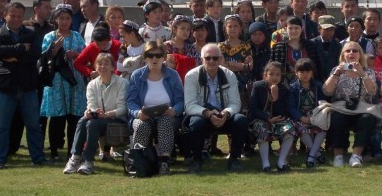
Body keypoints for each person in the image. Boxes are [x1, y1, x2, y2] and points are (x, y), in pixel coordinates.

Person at [0, 2, 46, 169]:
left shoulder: (31, 33)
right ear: (5, 15)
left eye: (19, 16)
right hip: (5, 87)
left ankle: (38, 157)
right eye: (12, 15)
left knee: (34, 125)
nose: (16, 19)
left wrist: (12, 56)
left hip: (28, 85)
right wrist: (21, 48)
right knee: (1, 126)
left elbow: (36, 54)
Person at [183, 44, 249, 173]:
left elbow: (235, 103)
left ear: (220, 59)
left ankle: (234, 159)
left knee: (241, 120)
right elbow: (189, 105)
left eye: (215, 58)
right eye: (208, 58)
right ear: (201, 59)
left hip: (223, 115)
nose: (211, 61)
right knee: (196, 122)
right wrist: (207, 113)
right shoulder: (191, 76)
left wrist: (226, 113)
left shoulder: (229, 75)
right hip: (202, 115)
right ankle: (197, 160)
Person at [64, 53, 129, 175]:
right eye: (100, 64)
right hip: (98, 119)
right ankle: (75, 158)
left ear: (112, 67)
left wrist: (107, 114)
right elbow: (91, 104)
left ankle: (88, 162)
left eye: (106, 64)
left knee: (92, 123)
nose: (103, 67)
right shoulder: (92, 84)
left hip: (117, 119)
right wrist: (91, 112)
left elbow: (123, 108)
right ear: (95, 67)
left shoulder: (122, 83)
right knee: (83, 120)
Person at [127, 41, 185, 176]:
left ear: (164, 57)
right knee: (141, 125)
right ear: (145, 56)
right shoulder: (136, 75)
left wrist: (174, 110)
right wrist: (138, 113)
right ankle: (140, 161)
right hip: (144, 115)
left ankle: (165, 161)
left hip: (166, 115)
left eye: (158, 55)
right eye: (150, 55)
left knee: (165, 122)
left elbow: (180, 100)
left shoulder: (173, 75)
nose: (154, 58)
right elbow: (131, 101)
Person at [322, 41, 379, 168]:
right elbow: (327, 91)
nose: (351, 53)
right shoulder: (336, 70)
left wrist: (362, 74)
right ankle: (338, 156)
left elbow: (373, 91)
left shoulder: (368, 71)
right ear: (343, 55)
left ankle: (355, 156)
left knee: (367, 119)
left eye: (355, 51)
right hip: (341, 108)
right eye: (348, 51)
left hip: (361, 108)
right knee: (337, 118)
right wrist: (336, 74)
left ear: (360, 55)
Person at [41, 5, 87, 162]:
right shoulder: (49, 36)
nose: (64, 21)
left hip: (74, 81)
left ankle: (72, 151)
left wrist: (76, 54)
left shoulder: (77, 36)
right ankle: (54, 151)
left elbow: (85, 56)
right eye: (61, 18)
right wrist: (55, 50)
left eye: (67, 18)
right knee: (57, 118)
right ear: (55, 19)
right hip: (56, 80)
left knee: (74, 118)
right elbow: (44, 57)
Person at [249, 61, 296, 172]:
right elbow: (253, 108)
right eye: (271, 74)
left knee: (290, 130)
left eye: (278, 74)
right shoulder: (257, 86)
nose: (275, 77)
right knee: (263, 129)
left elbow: (283, 110)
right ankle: (266, 164)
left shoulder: (284, 89)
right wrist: (267, 118)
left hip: (278, 120)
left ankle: (281, 161)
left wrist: (275, 97)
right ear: (265, 75)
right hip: (259, 120)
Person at [288, 58, 327, 168]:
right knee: (301, 129)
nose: (305, 75)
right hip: (299, 117)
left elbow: (322, 103)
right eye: (302, 72)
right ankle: (316, 154)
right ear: (296, 73)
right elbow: (291, 107)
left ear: (312, 73)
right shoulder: (292, 87)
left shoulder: (318, 85)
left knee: (323, 127)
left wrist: (314, 115)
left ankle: (311, 156)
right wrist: (301, 117)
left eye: (308, 72)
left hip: (315, 115)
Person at [270, 16, 320, 85]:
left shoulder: (310, 45)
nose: (293, 31)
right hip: (284, 85)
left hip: (307, 84)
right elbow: (272, 67)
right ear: (285, 29)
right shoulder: (278, 47)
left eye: (296, 28)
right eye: (290, 28)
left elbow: (316, 66)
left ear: (302, 29)